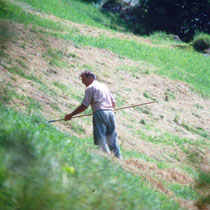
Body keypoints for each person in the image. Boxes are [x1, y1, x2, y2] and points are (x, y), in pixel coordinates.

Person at [64, 71, 122, 159]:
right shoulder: (104, 86)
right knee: (112, 140)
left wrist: (71, 115)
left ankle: (107, 160)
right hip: (110, 113)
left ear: (90, 78)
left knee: (100, 139)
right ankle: (118, 160)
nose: (83, 82)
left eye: (84, 79)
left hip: (100, 113)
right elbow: (114, 103)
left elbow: (84, 106)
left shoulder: (90, 88)